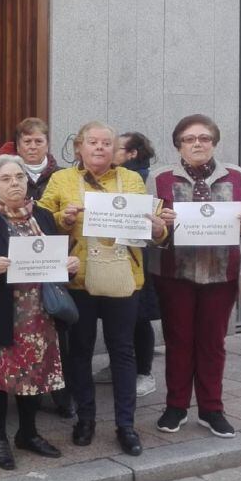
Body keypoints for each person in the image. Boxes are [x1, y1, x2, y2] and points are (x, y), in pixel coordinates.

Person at [39, 121, 167, 457]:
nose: (99, 148)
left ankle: (126, 425)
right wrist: (61, 219)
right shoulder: (61, 179)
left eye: (107, 143)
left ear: (115, 151)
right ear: (79, 147)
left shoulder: (132, 180)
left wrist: (159, 229)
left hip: (123, 279)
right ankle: (86, 419)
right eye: (92, 142)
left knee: (122, 351)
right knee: (80, 351)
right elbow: (40, 220)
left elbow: (152, 230)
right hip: (79, 280)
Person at [0, 155, 79, 470]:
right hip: (2, 314)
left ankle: (28, 433)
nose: (15, 183)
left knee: (34, 378)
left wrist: (69, 267)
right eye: (7, 179)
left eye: (20, 177)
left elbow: (56, 259)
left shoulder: (44, 216)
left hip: (40, 315)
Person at [148, 115, 241, 438]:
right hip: (175, 273)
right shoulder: (160, 178)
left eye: (204, 138)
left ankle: (212, 408)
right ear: (178, 145)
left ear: (214, 142)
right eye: (189, 139)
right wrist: (160, 224)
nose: (197, 144)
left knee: (213, 343)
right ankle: (176, 406)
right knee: (178, 340)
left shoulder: (236, 175)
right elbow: (147, 224)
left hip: (221, 273)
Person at [0, 118, 72, 417]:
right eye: (27, 141)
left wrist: (67, 264)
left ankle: (62, 397)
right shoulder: (4, 177)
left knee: (55, 340)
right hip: (12, 287)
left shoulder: (62, 175)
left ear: (48, 144)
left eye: (39, 141)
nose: (33, 146)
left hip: (47, 278)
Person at [95, 133, 160, 398]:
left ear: (132, 153)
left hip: (137, 258)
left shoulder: (141, 180)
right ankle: (118, 366)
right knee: (118, 318)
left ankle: (144, 373)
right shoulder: (112, 176)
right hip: (113, 254)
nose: (109, 152)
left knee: (139, 317)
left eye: (117, 148)